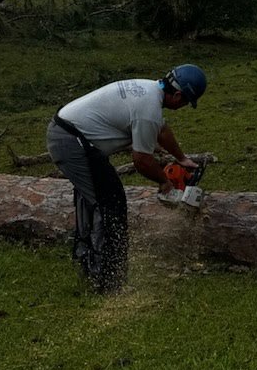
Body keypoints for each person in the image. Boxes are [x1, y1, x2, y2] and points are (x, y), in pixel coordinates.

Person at [45, 64, 207, 293]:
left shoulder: (149, 90)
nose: (182, 107)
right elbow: (141, 160)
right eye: (185, 102)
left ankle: (89, 266)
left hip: (68, 134)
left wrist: (181, 159)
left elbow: (162, 130)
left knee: (93, 198)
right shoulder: (148, 109)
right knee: (110, 203)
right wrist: (165, 183)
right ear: (178, 95)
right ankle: (109, 282)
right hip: (72, 141)